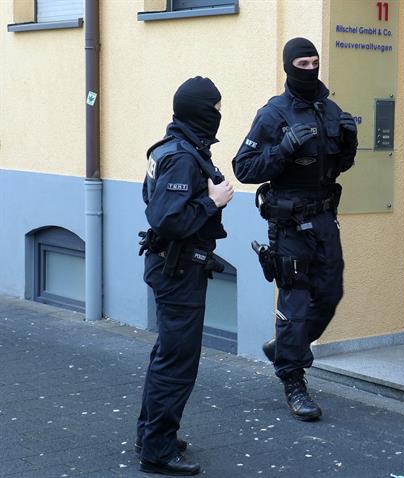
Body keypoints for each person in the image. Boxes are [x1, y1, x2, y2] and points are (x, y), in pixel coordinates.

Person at [233, 38, 358, 421]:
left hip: (324, 220)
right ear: (289, 67)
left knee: (331, 293)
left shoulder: (330, 109)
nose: (310, 69)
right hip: (289, 225)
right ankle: (293, 379)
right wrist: (283, 149)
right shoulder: (274, 114)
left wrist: (349, 145)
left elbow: (338, 167)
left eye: (314, 62)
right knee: (296, 301)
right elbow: (244, 167)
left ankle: (287, 347)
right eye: (302, 63)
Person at [136, 76, 234, 475]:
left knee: (168, 355)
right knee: (177, 362)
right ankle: (157, 450)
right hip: (177, 269)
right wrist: (212, 202)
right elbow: (167, 219)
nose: (218, 115)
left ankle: (151, 436)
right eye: (214, 109)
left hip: (174, 266)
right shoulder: (180, 156)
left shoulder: (174, 147)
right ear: (198, 111)